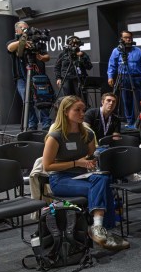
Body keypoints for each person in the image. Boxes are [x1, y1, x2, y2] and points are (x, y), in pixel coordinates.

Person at [42, 95, 128, 251]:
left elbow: (90, 157)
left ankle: (98, 228)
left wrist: (91, 160)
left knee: (103, 179)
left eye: (83, 110)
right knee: (100, 187)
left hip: (83, 176)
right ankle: (104, 230)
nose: (82, 113)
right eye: (77, 110)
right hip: (60, 179)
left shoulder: (87, 134)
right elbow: (47, 166)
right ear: (66, 112)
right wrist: (76, 163)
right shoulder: (56, 136)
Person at [6, 21, 52, 130]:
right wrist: (22, 40)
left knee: (43, 100)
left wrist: (40, 57)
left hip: (39, 76)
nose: (27, 30)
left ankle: (46, 124)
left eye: (27, 28)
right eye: (23, 28)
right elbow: (10, 48)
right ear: (17, 30)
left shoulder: (36, 42)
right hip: (21, 78)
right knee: (27, 100)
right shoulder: (13, 42)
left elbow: (47, 57)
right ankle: (32, 124)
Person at [107, 30, 141, 128]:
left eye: (130, 38)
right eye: (126, 38)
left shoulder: (138, 50)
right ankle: (130, 122)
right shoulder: (116, 51)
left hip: (137, 78)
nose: (128, 39)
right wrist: (110, 77)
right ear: (121, 39)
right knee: (127, 101)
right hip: (124, 77)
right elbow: (111, 65)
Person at [54, 35, 93, 102]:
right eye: (72, 44)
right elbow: (57, 67)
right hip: (66, 79)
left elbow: (89, 67)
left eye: (76, 44)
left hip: (79, 79)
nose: (74, 45)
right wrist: (58, 78)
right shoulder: (63, 55)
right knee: (68, 100)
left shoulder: (82, 54)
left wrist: (82, 57)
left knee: (80, 100)